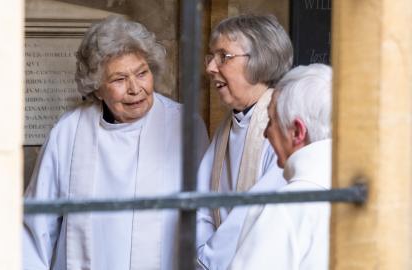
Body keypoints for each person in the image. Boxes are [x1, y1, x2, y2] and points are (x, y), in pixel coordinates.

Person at [23, 16, 209, 270]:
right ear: (97, 88)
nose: (135, 88)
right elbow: (36, 225)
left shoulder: (184, 125)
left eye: (142, 73)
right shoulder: (69, 131)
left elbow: (205, 215)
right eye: (119, 79)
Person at [196, 14, 293, 269]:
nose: (210, 68)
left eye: (224, 57)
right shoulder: (228, 124)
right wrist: (201, 251)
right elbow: (201, 204)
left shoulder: (283, 123)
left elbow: (258, 212)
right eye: (211, 57)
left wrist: (209, 259)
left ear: (260, 60)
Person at [229, 63, 332, 270]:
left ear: (297, 132)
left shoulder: (283, 209)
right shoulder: (367, 195)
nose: (266, 133)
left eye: (271, 121)